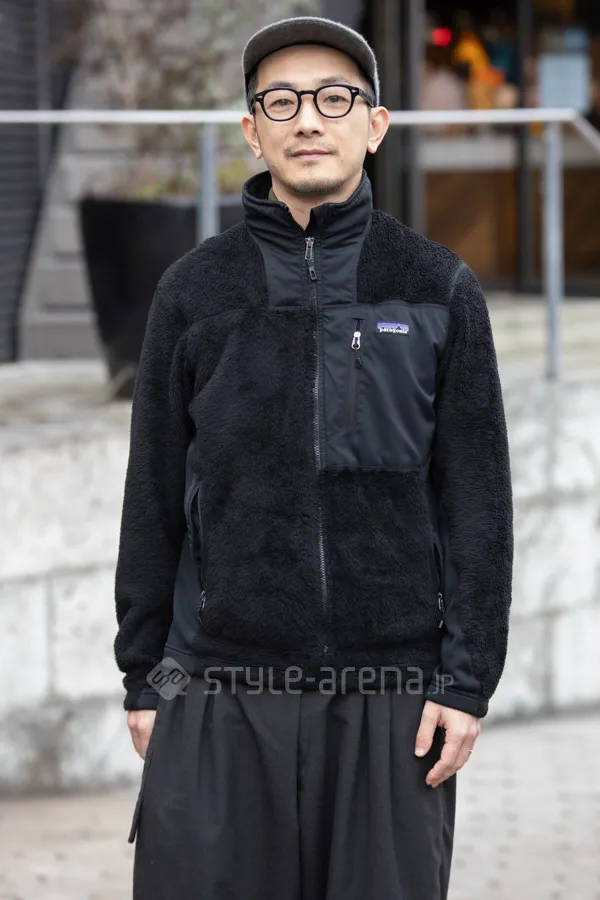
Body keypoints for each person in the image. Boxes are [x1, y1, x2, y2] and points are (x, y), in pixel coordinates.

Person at [114, 15, 513, 900]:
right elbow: (152, 496)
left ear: (375, 125)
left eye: (335, 99)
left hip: (392, 701)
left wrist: (465, 683)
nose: (307, 119)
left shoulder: (437, 287)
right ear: (251, 130)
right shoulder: (194, 293)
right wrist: (147, 679)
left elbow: (478, 505)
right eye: (282, 101)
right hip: (216, 690)